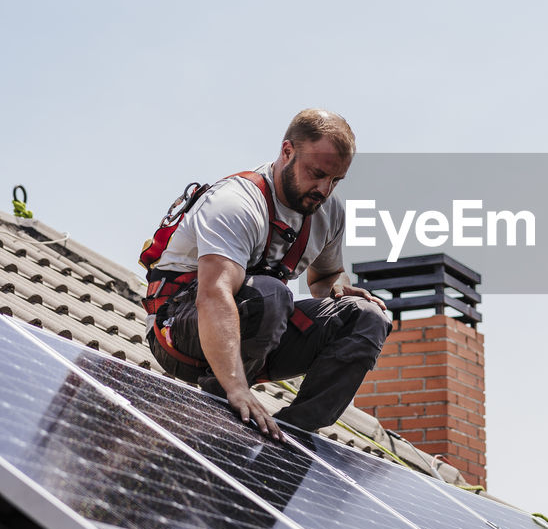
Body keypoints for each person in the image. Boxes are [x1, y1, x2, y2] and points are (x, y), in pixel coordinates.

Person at [145, 109, 389, 439]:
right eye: (316, 173)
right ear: (287, 152)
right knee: (273, 293)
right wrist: (236, 387)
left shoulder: (328, 211)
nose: (324, 189)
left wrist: (340, 288)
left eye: (335, 180)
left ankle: (292, 436)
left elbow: (323, 278)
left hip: (256, 337)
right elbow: (213, 295)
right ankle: (223, 408)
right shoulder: (236, 202)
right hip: (182, 331)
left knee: (367, 316)